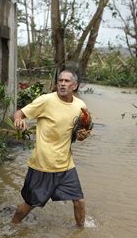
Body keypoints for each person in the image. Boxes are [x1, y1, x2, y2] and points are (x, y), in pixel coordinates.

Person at [11, 70, 91, 227]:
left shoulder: (80, 106)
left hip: (66, 164)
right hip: (43, 164)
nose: (62, 83)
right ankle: (12, 226)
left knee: (79, 201)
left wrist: (84, 134)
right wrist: (18, 120)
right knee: (29, 204)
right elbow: (19, 113)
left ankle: (80, 232)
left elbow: (83, 129)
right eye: (60, 80)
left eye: (67, 81)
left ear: (75, 86)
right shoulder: (46, 101)